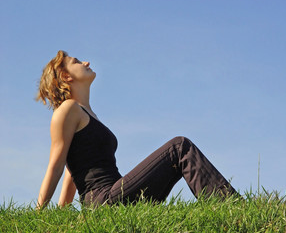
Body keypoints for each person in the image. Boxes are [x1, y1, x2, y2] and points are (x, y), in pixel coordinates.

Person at [36, 50, 238, 208]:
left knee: (177, 153)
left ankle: (227, 205)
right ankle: (232, 206)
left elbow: (75, 169)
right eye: (77, 62)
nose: (86, 62)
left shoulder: (87, 114)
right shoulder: (67, 109)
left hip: (115, 195)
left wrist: (62, 213)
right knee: (179, 147)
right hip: (105, 200)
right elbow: (56, 165)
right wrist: (40, 217)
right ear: (65, 76)